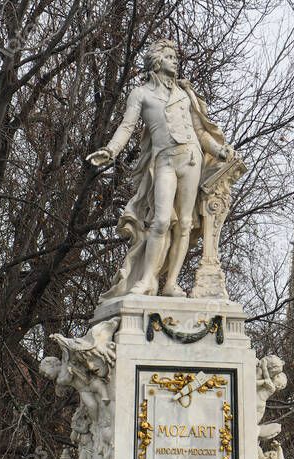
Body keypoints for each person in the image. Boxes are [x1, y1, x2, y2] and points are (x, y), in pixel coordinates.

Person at [87, 39, 233, 299]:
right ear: (156, 61)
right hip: (164, 161)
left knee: (185, 223)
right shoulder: (141, 94)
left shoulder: (184, 93)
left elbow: (199, 132)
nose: (175, 60)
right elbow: (126, 127)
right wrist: (110, 150)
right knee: (162, 221)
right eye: (168, 56)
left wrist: (218, 150)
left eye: (175, 57)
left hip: (191, 158)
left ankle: (171, 283)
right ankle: (146, 280)